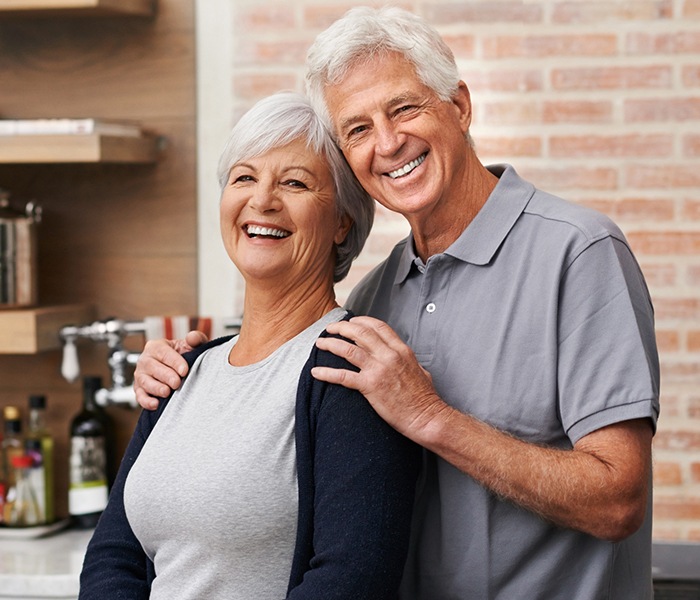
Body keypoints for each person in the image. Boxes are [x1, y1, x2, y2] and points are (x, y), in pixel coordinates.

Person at [134, 7, 661, 599]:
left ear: (458, 106)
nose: (387, 143)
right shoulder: (373, 298)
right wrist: (189, 371)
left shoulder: (578, 253)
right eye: (357, 129)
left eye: (404, 108)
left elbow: (618, 499)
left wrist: (432, 417)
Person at [79, 91, 420, 600]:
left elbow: (350, 580)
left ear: (342, 221)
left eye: (295, 182)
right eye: (244, 177)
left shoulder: (350, 372)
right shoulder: (184, 368)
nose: (262, 200)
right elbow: (114, 553)